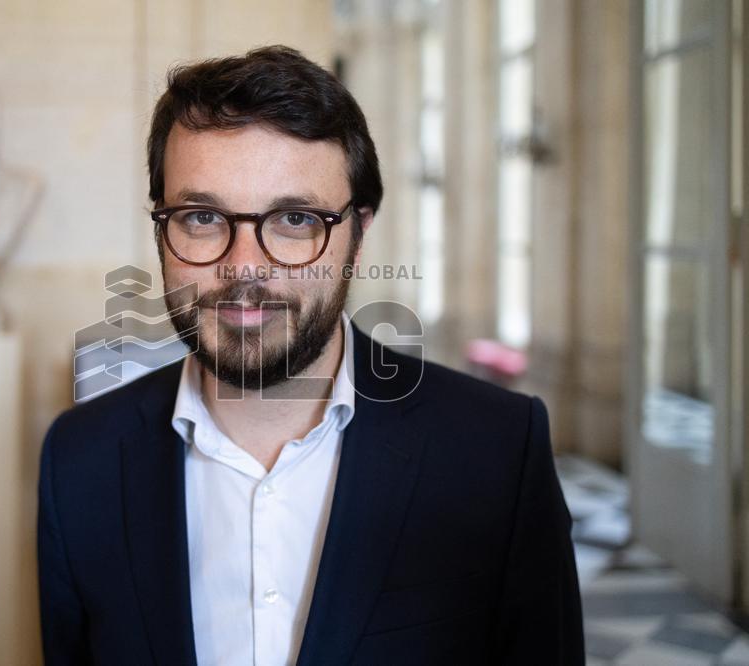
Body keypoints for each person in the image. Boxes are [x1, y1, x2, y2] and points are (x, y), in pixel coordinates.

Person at [38, 45, 584, 665]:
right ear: (162, 229)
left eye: (295, 219)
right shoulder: (77, 462)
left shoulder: (498, 453)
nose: (243, 265)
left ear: (357, 234)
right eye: (201, 216)